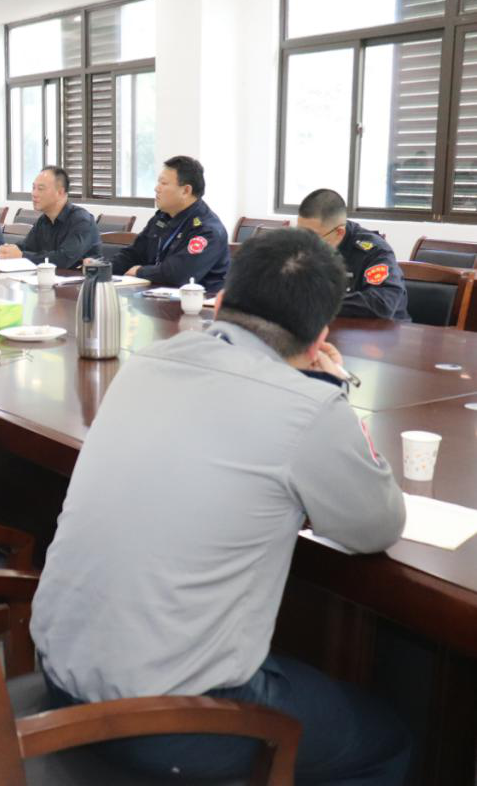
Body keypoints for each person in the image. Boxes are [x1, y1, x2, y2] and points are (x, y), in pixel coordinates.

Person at [30, 227, 410, 783]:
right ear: (320, 337)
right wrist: (332, 390)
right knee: (388, 738)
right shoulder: (310, 406)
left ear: (220, 302)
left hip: (59, 673)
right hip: (165, 722)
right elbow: (376, 526)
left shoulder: (146, 362)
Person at [111, 155, 230, 292]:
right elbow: (133, 254)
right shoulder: (162, 218)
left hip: (197, 301)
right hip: (155, 295)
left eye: (163, 183)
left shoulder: (207, 230)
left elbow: (180, 274)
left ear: (186, 191)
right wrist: (103, 269)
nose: (156, 188)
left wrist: (140, 271)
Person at [296, 188, 409, 321]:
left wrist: (321, 304)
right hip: (328, 326)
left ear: (339, 233)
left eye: (313, 237)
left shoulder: (374, 251)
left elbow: (383, 302)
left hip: (383, 329)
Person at [0, 166, 102, 268]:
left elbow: (63, 259)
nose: (34, 194)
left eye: (40, 189)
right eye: (33, 188)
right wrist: (8, 250)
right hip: (49, 278)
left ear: (60, 192)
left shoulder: (82, 221)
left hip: (82, 279)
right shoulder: (43, 220)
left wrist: (21, 256)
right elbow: (26, 247)